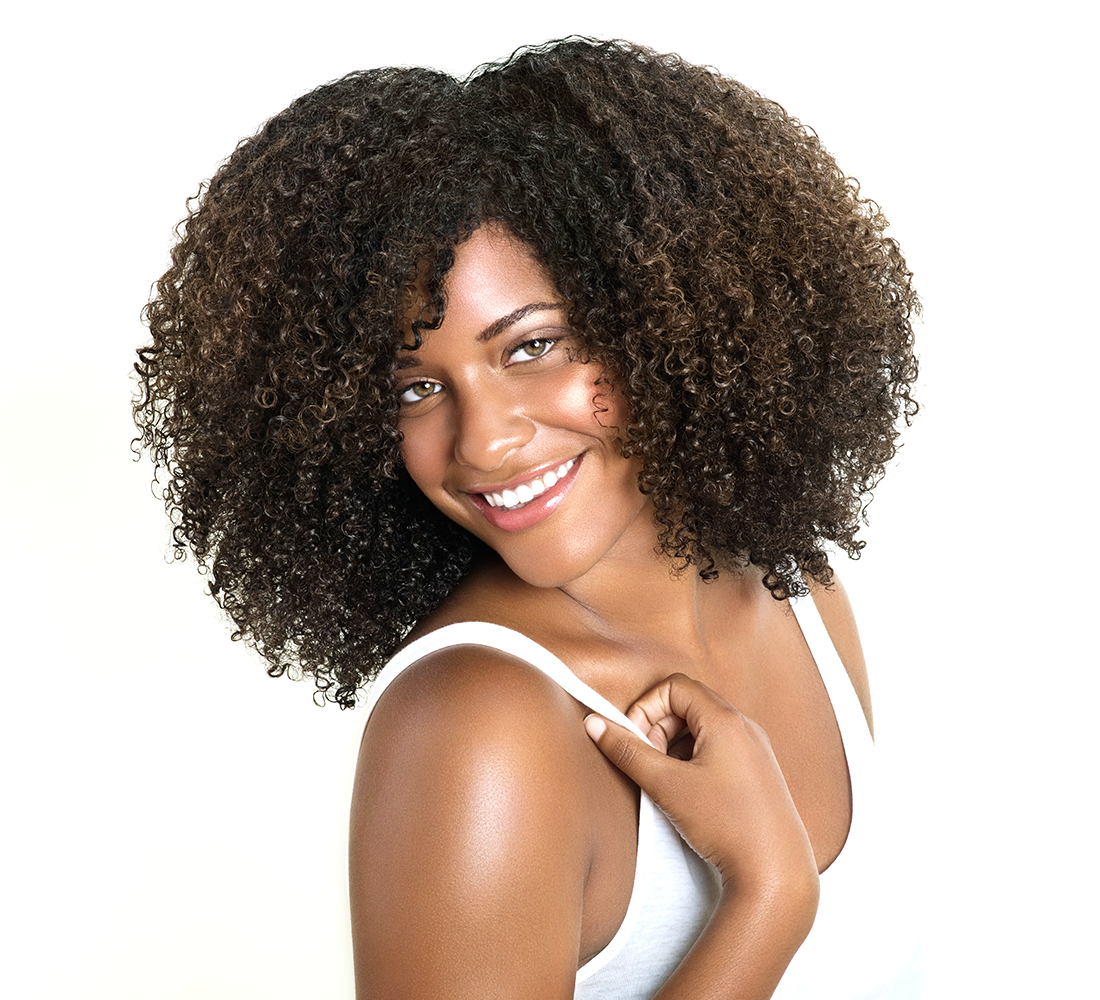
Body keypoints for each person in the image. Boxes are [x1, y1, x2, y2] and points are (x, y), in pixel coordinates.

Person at [135, 38, 920, 999]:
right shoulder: (476, 722)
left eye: (531, 347)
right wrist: (764, 900)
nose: (483, 444)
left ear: (667, 315)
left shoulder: (800, 589)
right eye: (417, 387)